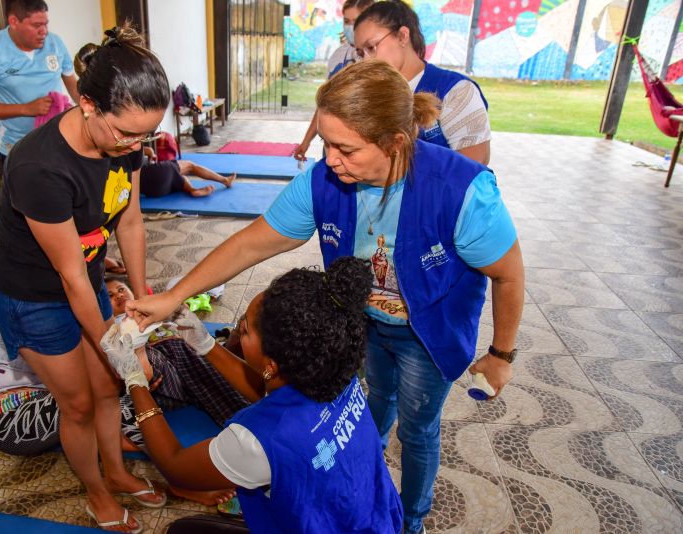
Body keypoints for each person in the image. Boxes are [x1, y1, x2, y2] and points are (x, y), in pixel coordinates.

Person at [125, 60, 524, 534]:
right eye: (326, 143)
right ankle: (350, 482)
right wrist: (176, 296)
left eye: (345, 149)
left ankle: (410, 520)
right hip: (365, 323)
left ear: (396, 142)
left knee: (418, 430)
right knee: (368, 409)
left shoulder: (462, 191)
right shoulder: (325, 180)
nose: (330, 159)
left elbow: (509, 275)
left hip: (429, 335)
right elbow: (254, 240)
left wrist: (501, 353)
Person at [0, 23, 169, 532]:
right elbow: (68, 277)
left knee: (109, 389)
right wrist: (124, 348)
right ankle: (95, 493)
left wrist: (141, 301)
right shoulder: (39, 167)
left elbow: (129, 220)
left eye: (145, 135)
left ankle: (115, 471)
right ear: (87, 104)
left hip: (83, 280)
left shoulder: (125, 141)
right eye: (127, 133)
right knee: (81, 403)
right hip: (33, 297)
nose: (136, 145)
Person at [103, 257, 403, 533]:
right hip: (375, 518)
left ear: (271, 365)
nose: (237, 333)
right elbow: (269, 393)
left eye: (243, 331)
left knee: (182, 531)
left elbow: (174, 464)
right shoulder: (334, 371)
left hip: (322, 524)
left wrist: (134, 380)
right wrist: (204, 342)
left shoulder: (257, 441)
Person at [0, 306, 244, 506]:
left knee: (172, 347)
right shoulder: (28, 310)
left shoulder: (71, 301)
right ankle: (179, 478)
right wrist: (133, 366)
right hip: (12, 417)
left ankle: (240, 414)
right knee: (111, 397)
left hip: (54, 395)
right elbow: (88, 379)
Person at [354, 0, 491, 165]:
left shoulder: (456, 91)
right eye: (360, 53)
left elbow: (471, 171)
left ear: (403, 36)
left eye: (371, 47)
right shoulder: (367, 96)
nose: (366, 60)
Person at [0, 0, 80, 159]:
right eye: (36, 25)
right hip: (15, 146)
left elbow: (72, 85)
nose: (44, 31)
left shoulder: (55, 43)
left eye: (45, 24)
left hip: (56, 138)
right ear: (13, 21)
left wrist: (88, 109)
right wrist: (26, 108)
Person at [294, 0, 374, 162]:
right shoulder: (339, 56)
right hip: (333, 147)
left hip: (361, 150)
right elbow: (325, 106)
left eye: (356, 21)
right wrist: (306, 140)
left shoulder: (377, 58)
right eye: (346, 21)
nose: (351, 27)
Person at [139, 146, 235, 198]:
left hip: (154, 191)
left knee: (177, 177)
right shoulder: (127, 145)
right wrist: (151, 154)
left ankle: (192, 190)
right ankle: (225, 180)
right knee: (190, 165)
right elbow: (149, 150)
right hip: (155, 173)